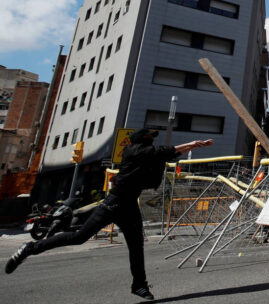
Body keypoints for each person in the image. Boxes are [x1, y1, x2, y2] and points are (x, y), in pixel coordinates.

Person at [5, 128, 213, 300]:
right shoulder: (134, 152)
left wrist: (192, 146)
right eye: (149, 138)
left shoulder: (147, 155)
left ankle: (139, 285)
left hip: (129, 205)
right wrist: (190, 144)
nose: (152, 141)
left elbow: (168, 153)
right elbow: (161, 152)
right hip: (114, 203)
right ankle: (30, 248)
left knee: (136, 245)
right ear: (141, 141)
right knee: (79, 237)